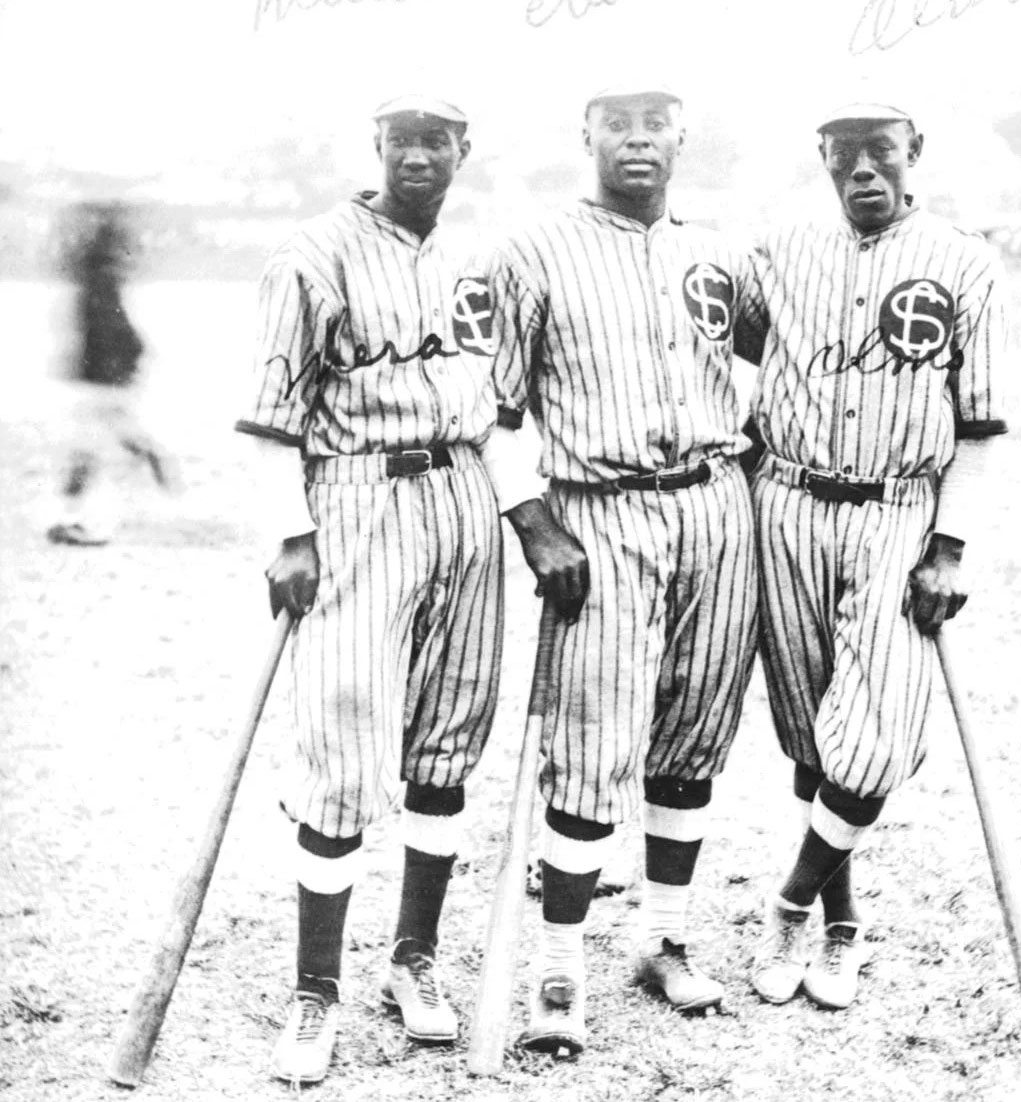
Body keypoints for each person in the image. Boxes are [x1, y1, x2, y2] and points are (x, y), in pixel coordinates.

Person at [237, 95, 584, 1085]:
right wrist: (292, 532)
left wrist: (528, 514)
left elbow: (499, 414)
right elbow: (272, 418)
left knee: (446, 743)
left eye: (440, 137)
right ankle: (315, 990)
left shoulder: (478, 258)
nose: (421, 153)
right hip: (357, 497)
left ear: (465, 148)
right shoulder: (314, 253)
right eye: (403, 137)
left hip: (464, 501)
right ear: (376, 145)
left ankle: (412, 956)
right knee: (346, 749)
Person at [491, 83, 759, 1058]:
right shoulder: (533, 247)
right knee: (594, 742)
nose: (638, 139)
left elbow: (784, 362)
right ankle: (560, 963)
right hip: (599, 511)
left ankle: (662, 936)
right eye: (618, 123)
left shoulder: (717, 247)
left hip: (715, 503)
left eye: (656, 123)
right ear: (588, 134)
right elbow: (495, 407)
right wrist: (532, 522)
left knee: (693, 736)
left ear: (683, 133)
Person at [735, 101, 1008, 1010]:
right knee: (816, 734)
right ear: (821, 157)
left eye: (880, 152)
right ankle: (841, 929)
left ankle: (789, 905)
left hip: (896, 510)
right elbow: (718, 340)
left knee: (876, 738)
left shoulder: (966, 262)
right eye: (843, 153)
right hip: (789, 500)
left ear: (913, 153)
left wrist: (951, 547)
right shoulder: (780, 250)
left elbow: (978, 425)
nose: (862, 171)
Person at [47, 201, 176, 546]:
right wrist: (133, 357)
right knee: (99, 439)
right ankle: (146, 453)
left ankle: (75, 519)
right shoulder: (103, 283)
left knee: (87, 446)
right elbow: (117, 331)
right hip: (105, 378)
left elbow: (108, 331)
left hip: (98, 379)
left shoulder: (92, 283)